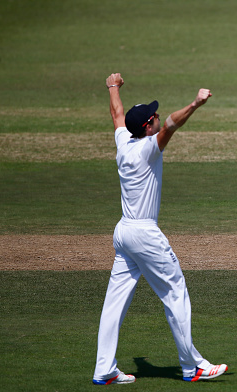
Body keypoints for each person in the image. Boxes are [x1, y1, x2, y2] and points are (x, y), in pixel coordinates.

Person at [92, 73, 228, 385]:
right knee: (175, 292)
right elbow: (170, 126)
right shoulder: (147, 148)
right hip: (144, 235)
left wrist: (113, 86)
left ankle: (104, 368)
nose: (156, 118)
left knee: (115, 302)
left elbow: (116, 113)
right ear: (147, 125)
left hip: (123, 233)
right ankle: (192, 365)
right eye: (152, 116)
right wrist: (195, 103)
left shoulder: (123, 141)